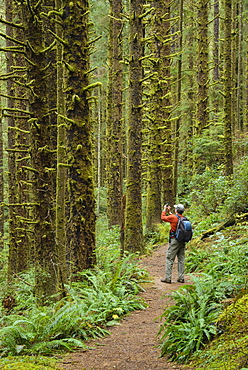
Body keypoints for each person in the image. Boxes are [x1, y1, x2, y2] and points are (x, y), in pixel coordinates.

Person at [160, 203, 186, 284]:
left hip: (174, 240)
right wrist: (170, 212)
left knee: (169, 258)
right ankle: (181, 278)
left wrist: (164, 210)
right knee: (181, 259)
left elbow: (163, 218)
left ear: (176, 210)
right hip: (182, 240)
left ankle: (168, 278)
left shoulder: (173, 217)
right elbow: (175, 218)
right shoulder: (184, 218)